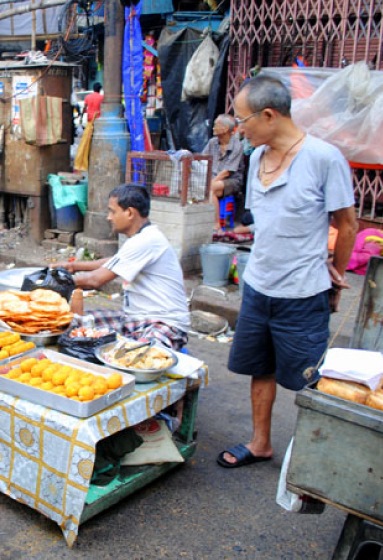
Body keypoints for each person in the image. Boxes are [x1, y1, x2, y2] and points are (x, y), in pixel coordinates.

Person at [218, 76, 357, 468]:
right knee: (259, 369)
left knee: (310, 379)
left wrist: (336, 272)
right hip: (259, 287)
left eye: (243, 120)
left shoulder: (324, 158)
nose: (239, 128)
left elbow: (347, 226)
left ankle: (314, 457)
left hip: (302, 292)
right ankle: (260, 443)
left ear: (269, 115)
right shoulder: (258, 157)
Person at [56, 183, 190, 350]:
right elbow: (113, 262)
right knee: (74, 323)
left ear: (129, 213)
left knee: (138, 358)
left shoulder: (146, 240)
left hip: (163, 324)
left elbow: (95, 280)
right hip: (134, 319)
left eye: (112, 211)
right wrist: (74, 266)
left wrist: (57, 282)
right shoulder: (141, 238)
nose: (109, 217)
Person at [202, 114, 245, 231]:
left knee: (210, 188)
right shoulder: (212, 142)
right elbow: (203, 160)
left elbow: (228, 172)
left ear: (226, 129)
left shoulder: (237, 145)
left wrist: (210, 182)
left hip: (231, 181)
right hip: (214, 178)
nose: (213, 127)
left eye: (216, 125)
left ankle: (216, 225)